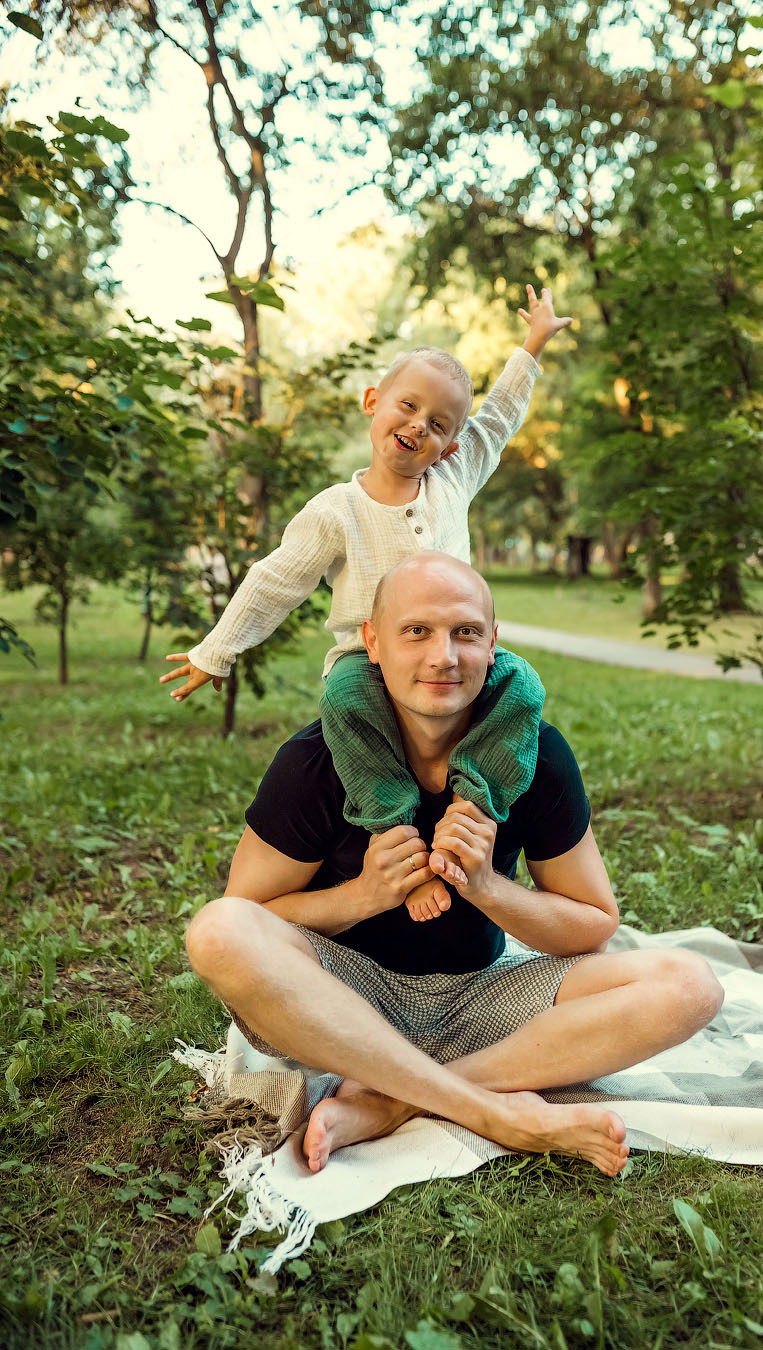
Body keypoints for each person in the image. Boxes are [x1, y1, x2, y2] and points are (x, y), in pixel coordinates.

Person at [185, 554, 724, 1178]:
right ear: (372, 642)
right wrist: (365, 895)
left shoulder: (535, 756)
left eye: (465, 632)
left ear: (493, 644)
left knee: (690, 986)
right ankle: (492, 1110)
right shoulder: (315, 760)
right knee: (218, 931)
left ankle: (388, 1099)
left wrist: (489, 887)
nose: (444, 656)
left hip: (482, 1001)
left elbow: (593, 923)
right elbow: (247, 913)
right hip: (342, 997)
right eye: (417, 631)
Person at [161, 285, 572, 920]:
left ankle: (473, 802)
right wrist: (216, 652)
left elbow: (499, 416)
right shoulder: (335, 512)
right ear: (373, 403)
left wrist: (532, 346)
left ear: (452, 445)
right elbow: (276, 582)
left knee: (521, 683)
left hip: (452, 649)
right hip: (365, 659)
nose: (419, 426)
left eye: (438, 424)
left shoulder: (454, 478)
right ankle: (391, 834)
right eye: (408, 406)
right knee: (344, 698)